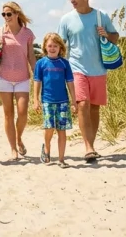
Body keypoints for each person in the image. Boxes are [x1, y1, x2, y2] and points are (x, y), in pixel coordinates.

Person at [57, 0, 119, 163]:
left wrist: (106, 34)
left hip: (99, 69)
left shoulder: (101, 16)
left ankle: (91, 145)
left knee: (94, 107)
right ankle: (88, 147)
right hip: (76, 68)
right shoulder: (66, 19)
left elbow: (116, 38)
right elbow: (60, 45)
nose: (71, 0)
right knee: (82, 104)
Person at [0, 1, 36, 161]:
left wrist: (37, 74)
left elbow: (31, 55)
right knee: (8, 114)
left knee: (22, 112)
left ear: (16, 14)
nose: (6, 17)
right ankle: (13, 149)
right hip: (3, 78)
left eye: (9, 14)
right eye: (3, 14)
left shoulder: (27, 33)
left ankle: (19, 138)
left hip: (22, 78)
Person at [33, 32, 77, 168]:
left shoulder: (64, 63)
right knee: (49, 128)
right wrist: (35, 99)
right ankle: (46, 149)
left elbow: (70, 82)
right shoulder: (41, 63)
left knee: (61, 130)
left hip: (63, 102)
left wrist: (74, 101)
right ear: (45, 47)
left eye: (55, 46)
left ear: (60, 48)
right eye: (50, 46)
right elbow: (37, 81)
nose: (52, 48)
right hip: (47, 101)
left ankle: (61, 159)